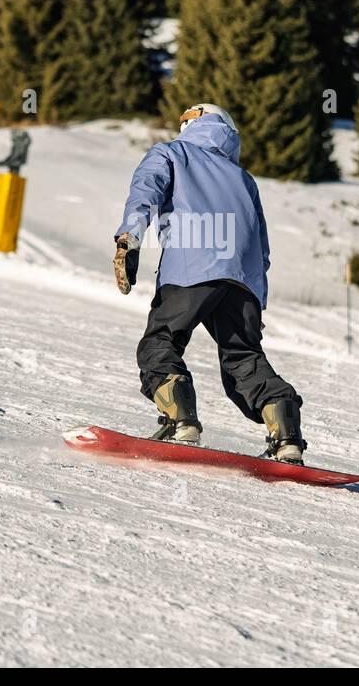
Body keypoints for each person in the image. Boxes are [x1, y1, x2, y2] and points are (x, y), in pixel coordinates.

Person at [113, 103, 306, 463]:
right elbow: (260, 244)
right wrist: (255, 300)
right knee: (244, 358)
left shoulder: (171, 152)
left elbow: (146, 191)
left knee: (160, 343)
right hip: (242, 281)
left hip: (191, 267)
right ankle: (287, 436)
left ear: (190, 125)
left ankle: (181, 422)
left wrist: (130, 237)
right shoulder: (242, 178)